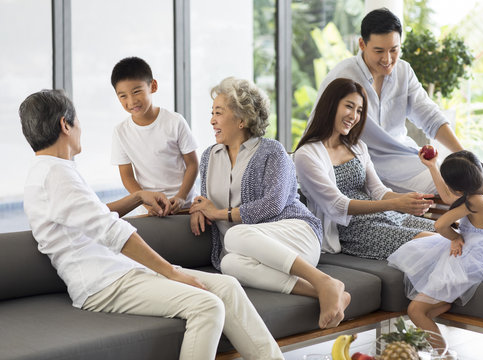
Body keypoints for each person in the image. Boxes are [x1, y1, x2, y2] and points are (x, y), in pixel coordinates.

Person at [20, 89, 283, 360]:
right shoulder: (55, 174)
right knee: (206, 306)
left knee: (227, 286)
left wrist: (137, 196)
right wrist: (172, 272)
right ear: (66, 124)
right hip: (102, 284)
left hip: (119, 272)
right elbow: (111, 231)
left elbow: (92, 214)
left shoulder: (52, 170)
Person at [189, 77, 350, 329]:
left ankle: (322, 280)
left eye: (218, 113)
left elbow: (272, 206)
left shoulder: (272, 152)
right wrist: (197, 210)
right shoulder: (209, 156)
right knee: (228, 262)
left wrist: (219, 213)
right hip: (251, 250)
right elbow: (204, 201)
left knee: (234, 238)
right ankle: (326, 289)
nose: (212, 120)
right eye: (212, 113)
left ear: (242, 119)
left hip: (297, 234)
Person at [310, 8, 463, 194]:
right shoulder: (342, 77)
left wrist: (463, 155)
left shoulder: (404, 72)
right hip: (359, 165)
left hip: (402, 160)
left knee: (459, 181)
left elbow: (430, 116)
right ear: (362, 44)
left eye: (394, 50)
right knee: (448, 189)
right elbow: (318, 129)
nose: (387, 59)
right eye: (379, 51)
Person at [294, 78, 435, 257]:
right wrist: (395, 204)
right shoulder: (306, 155)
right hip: (354, 228)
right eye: (349, 106)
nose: (354, 116)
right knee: (435, 242)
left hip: (386, 215)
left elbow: (377, 190)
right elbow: (337, 205)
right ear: (330, 105)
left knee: (453, 235)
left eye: (359, 110)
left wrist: (407, 200)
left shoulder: (357, 146)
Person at [387, 150, 483, 347]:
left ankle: (445, 357)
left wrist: (455, 236)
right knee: (425, 258)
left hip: (476, 259)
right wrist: (433, 165)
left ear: (461, 189)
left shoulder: (475, 201)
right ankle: (437, 305)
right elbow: (450, 198)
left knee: (415, 311)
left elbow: (440, 225)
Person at [110, 57, 198, 215]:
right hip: (152, 208)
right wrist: (147, 205)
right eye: (123, 96)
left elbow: (192, 164)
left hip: (185, 207)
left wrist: (181, 197)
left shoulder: (175, 121)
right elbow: (127, 176)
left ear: (153, 86)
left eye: (136, 91)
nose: (131, 101)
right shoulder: (120, 131)